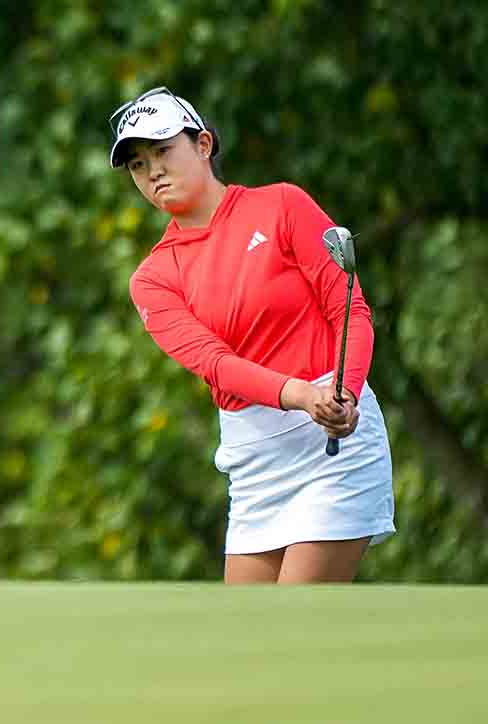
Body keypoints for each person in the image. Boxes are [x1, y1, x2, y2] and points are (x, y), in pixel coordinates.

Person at [110, 87, 396, 584]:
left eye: (162, 151)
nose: (152, 171)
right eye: (137, 164)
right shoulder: (153, 279)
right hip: (255, 462)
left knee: (296, 627)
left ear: (203, 145)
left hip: (333, 437)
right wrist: (300, 395)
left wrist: (342, 391)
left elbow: (348, 307)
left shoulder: (282, 206)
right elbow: (216, 365)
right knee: (248, 642)